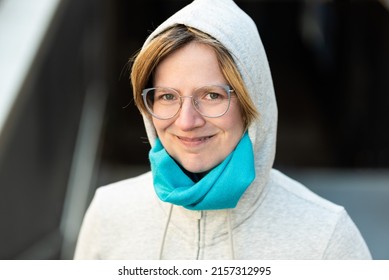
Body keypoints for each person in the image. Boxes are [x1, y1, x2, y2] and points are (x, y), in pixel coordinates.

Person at [74, 0, 371, 259]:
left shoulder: (326, 236)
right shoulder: (108, 214)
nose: (187, 121)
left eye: (212, 96)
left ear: (252, 102)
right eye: (167, 96)